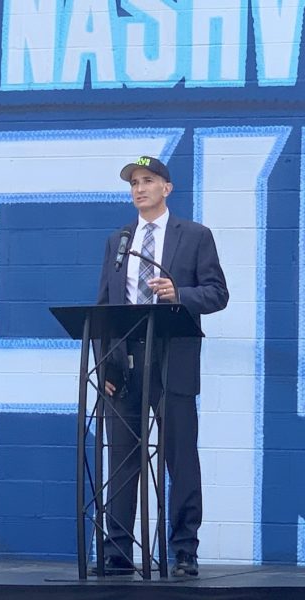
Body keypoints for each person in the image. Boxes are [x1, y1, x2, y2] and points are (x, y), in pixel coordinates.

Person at [96, 156, 229, 577]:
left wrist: (179, 294)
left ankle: (184, 549)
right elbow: (104, 305)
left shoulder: (194, 236)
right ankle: (117, 549)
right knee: (120, 458)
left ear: (167, 188)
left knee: (180, 457)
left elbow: (217, 293)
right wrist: (105, 366)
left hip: (173, 359)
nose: (139, 189)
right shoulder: (118, 240)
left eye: (148, 181)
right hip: (126, 362)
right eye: (134, 183)